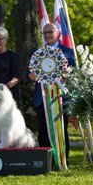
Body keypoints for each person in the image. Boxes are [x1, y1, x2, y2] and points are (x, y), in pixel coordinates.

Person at [28, 23, 76, 163]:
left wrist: (68, 74)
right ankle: (45, 162)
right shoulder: (37, 53)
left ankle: (62, 161)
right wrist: (31, 75)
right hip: (42, 97)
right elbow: (29, 74)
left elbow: (74, 72)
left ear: (57, 33)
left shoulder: (67, 51)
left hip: (61, 97)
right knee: (43, 131)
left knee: (61, 129)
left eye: (50, 32)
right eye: (45, 33)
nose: (48, 35)